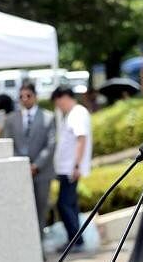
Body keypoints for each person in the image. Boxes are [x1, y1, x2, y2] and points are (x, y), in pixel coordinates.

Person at [1, 83, 56, 236]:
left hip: (42, 172)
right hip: (19, 172)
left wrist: (36, 165)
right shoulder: (11, 119)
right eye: (21, 97)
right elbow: (8, 143)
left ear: (35, 97)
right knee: (21, 208)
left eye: (28, 96)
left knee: (40, 209)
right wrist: (22, 165)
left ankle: (40, 246)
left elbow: (51, 145)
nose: (24, 99)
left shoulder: (48, 117)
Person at [51, 86, 92, 252]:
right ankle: (76, 239)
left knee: (64, 204)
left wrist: (76, 165)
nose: (58, 106)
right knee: (70, 205)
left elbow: (81, 139)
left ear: (64, 97)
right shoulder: (73, 113)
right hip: (67, 169)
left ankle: (76, 241)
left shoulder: (77, 113)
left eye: (58, 102)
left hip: (71, 169)